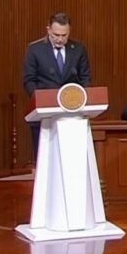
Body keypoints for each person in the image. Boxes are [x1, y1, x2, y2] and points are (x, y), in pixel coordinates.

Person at [22, 12, 92, 159]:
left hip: (72, 113)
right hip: (44, 115)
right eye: (56, 35)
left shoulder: (78, 50)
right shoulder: (35, 50)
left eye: (64, 35)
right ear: (48, 30)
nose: (60, 39)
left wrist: (81, 98)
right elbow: (29, 80)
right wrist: (40, 100)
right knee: (45, 159)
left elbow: (85, 78)